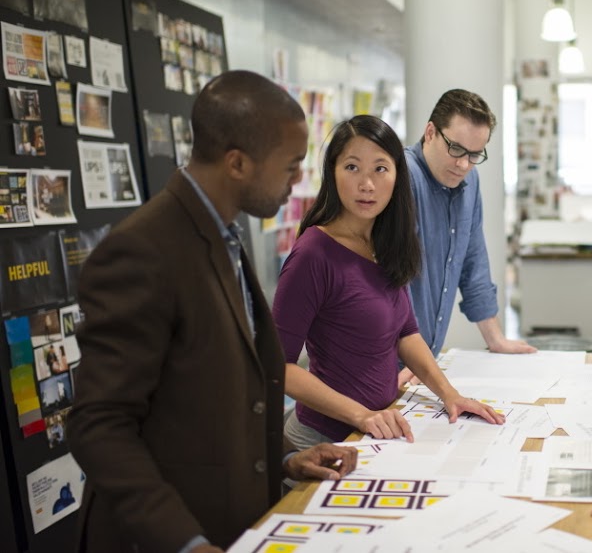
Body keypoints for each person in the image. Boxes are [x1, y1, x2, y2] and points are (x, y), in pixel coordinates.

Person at [68, 71, 358, 553]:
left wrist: (286, 457)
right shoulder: (142, 250)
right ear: (238, 163)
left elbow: (219, 398)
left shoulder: (223, 235)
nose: (298, 180)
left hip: (234, 523)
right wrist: (188, 543)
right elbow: (99, 426)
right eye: (290, 166)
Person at [273, 115, 504, 447]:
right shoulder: (313, 253)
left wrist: (449, 395)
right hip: (323, 441)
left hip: (376, 435)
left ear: (397, 176)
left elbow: (406, 333)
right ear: (333, 172)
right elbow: (279, 366)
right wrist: (362, 415)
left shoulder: (385, 244)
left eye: (380, 169)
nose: (367, 184)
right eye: (352, 167)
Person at [400, 89, 535, 384]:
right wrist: (412, 356)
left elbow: (473, 258)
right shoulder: (402, 177)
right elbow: (387, 280)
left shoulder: (468, 180)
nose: (463, 164)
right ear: (430, 132)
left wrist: (495, 338)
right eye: (456, 149)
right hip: (391, 358)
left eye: (474, 154)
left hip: (421, 362)